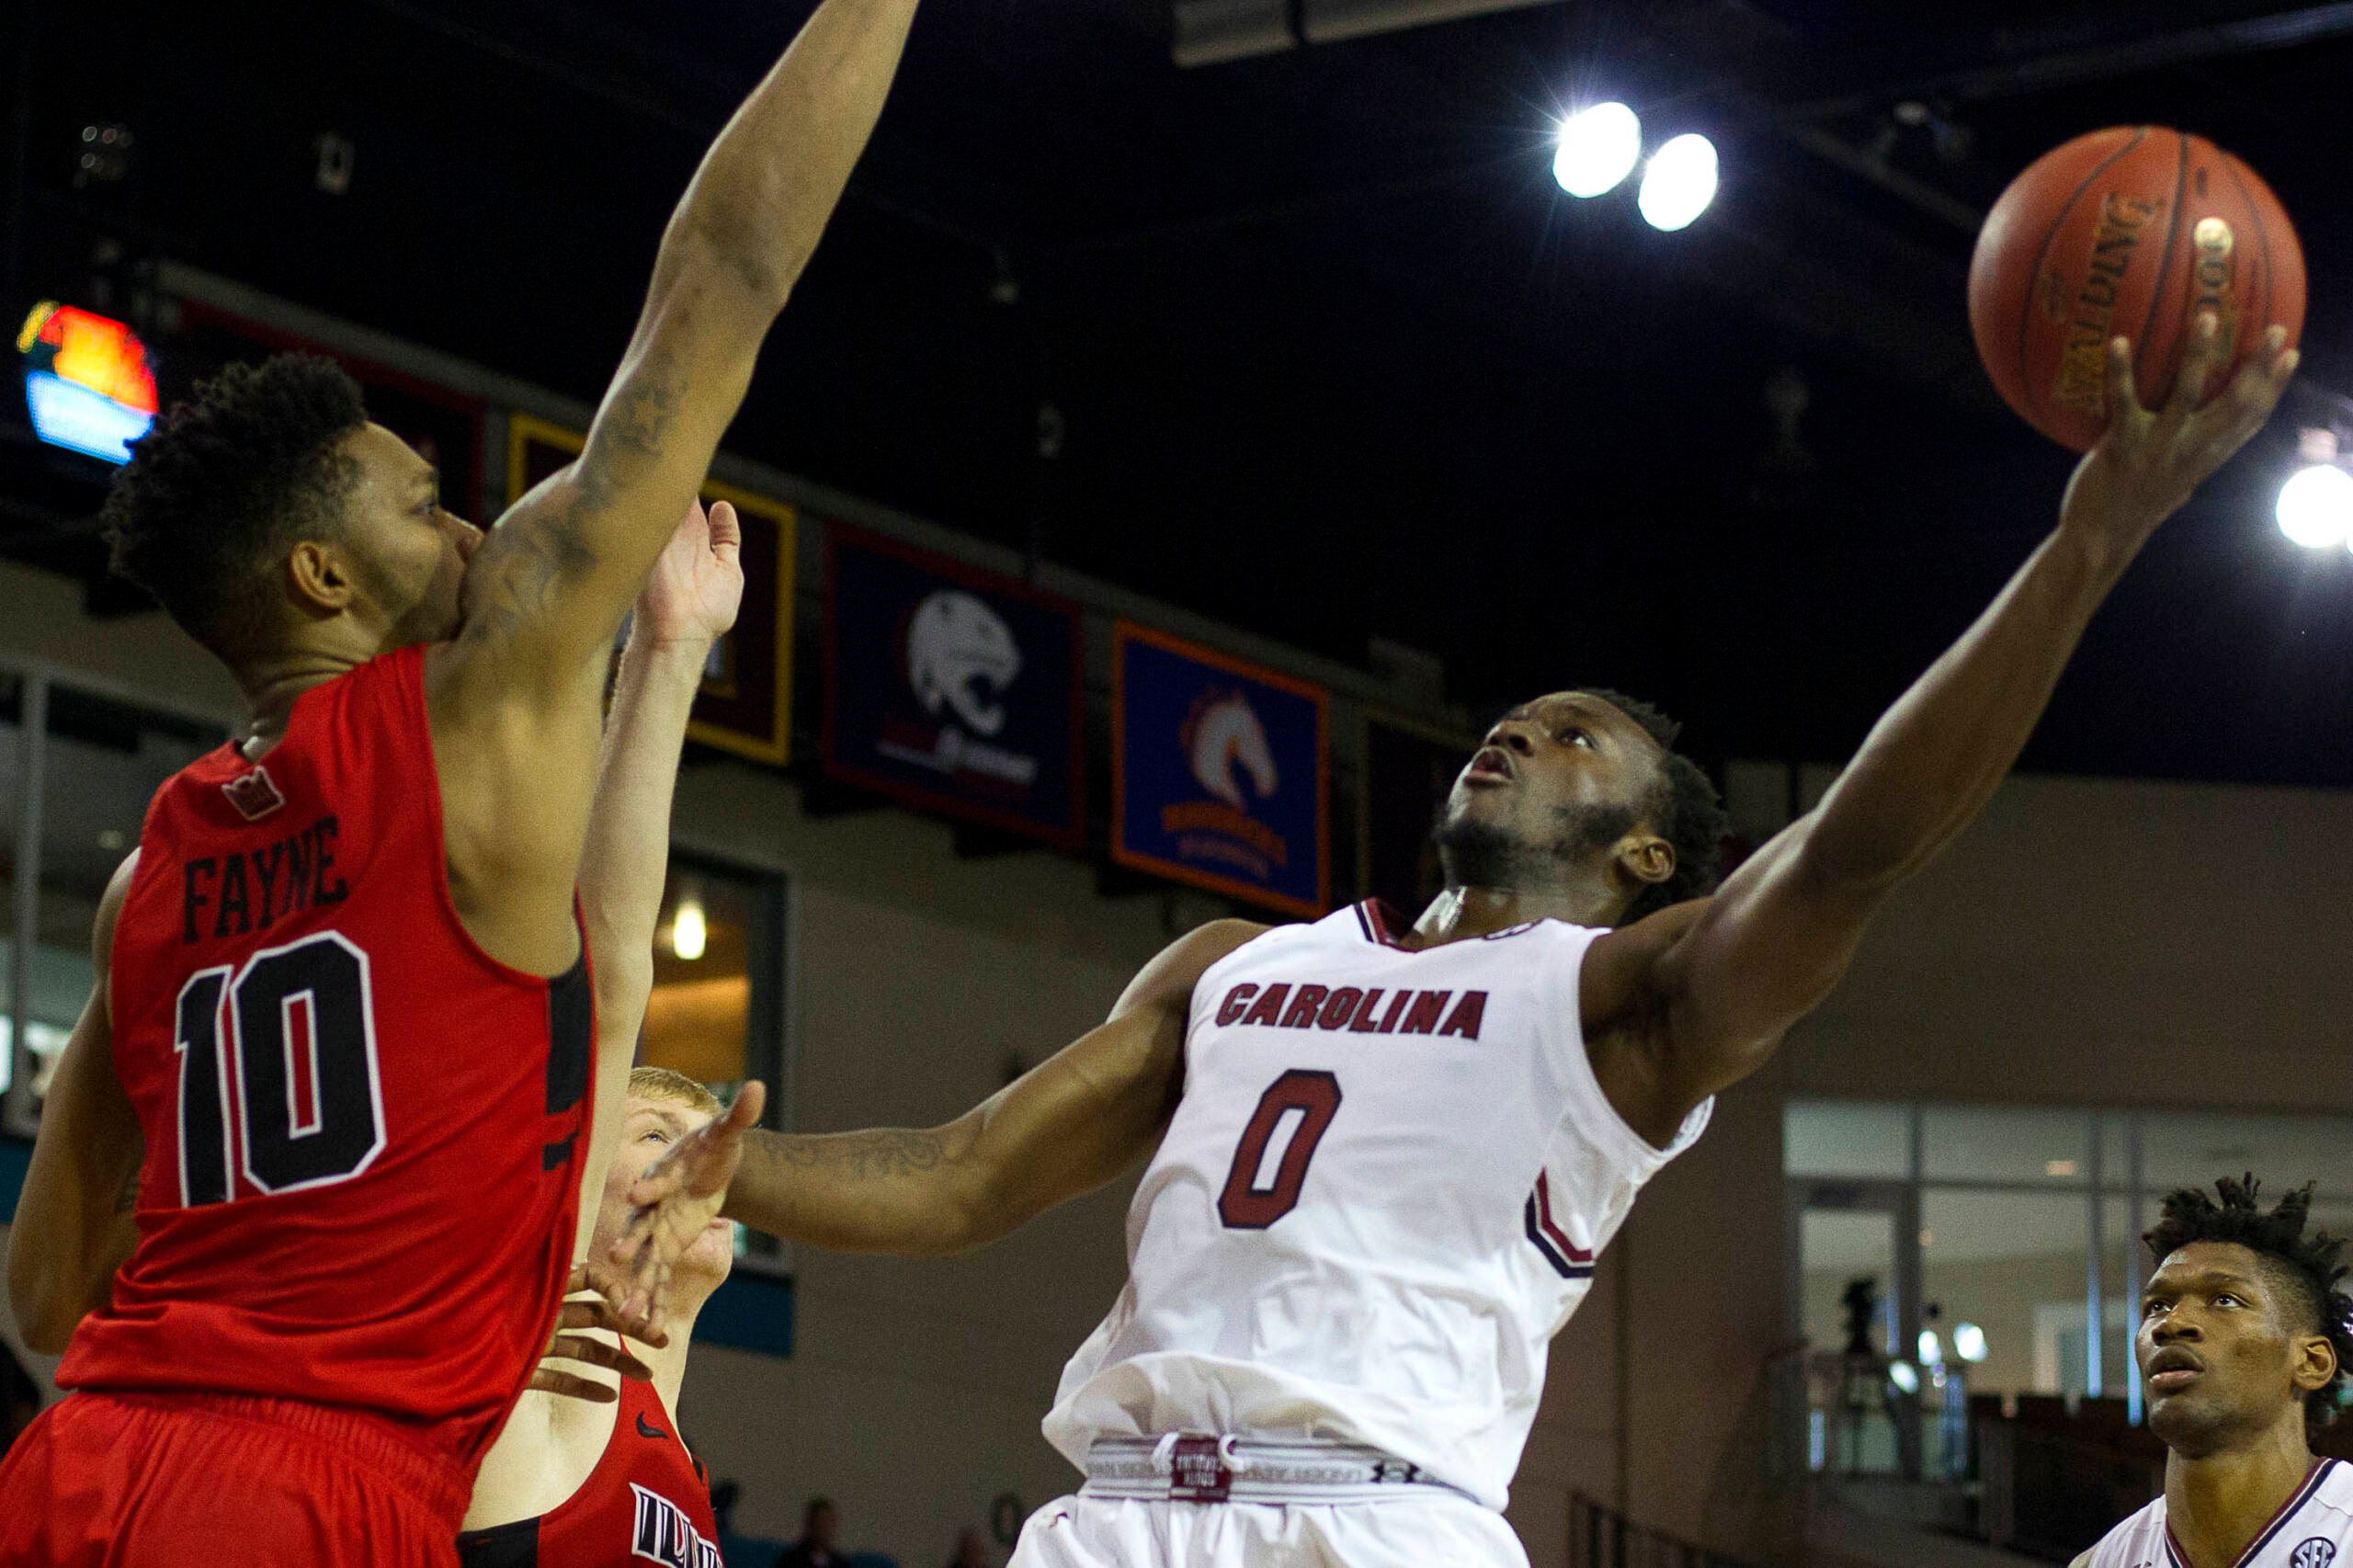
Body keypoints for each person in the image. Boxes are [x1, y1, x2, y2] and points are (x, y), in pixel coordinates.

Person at [619, 313, 2301, 1568]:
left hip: (1378, 1529)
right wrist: (693, 1150)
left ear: (1648, 848)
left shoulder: (1624, 1005)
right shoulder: (1230, 967)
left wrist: (2090, 546)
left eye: (1571, 736)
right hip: (1119, 1519)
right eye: (1510, 718)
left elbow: (1860, 844)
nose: (1513, 733)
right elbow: (967, 1171)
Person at [0, 0, 922, 1553]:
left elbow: (39, 1288)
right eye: (423, 506)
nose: (474, 533)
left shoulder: (138, 881)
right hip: (313, 1489)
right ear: (317, 572)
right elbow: (723, 280)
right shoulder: (473, 709)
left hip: (81, 1460)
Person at [459, 512, 741, 1567]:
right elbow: (607, 976)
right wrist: (666, 657)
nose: (697, 1155)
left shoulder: (673, 1450)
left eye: (707, 1133)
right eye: (658, 1128)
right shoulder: (531, 1389)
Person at [2074, 1177, 2353, 1568]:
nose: (2171, 1323)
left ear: (2311, 1362)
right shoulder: (2102, 1562)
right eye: (2157, 1306)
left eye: (2225, 1300)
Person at [782, 1496, 848, 1568]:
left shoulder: (841, 1563)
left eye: (829, 1522)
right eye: (821, 1522)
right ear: (811, 1525)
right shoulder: (792, 1560)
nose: (826, 1528)